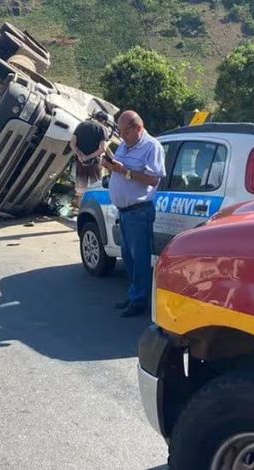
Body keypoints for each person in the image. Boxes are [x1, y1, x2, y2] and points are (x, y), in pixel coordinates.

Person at [101, 110, 166, 317]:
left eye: (125, 132)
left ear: (138, 128)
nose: (122, 137)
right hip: (125, 212)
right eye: (119, 132)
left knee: (140, 260)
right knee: (128, 258)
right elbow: (120, 169)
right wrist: (110, 166)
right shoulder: (123, 145)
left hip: (139, 212)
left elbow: (153, 179)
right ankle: (134, 294)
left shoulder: (151, 146)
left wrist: (124, 172)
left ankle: (139, 302)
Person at [70, 111, 114, 209]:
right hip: (94, 163)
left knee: (80, 189)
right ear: (103, 121)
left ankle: (79, 210)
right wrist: (89, 157)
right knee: (96, 187)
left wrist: (80, 155)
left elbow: (72, 144)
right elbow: (103, 148)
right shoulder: (101, 128)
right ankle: (92, 210)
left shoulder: (81, 125)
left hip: (80, 163)